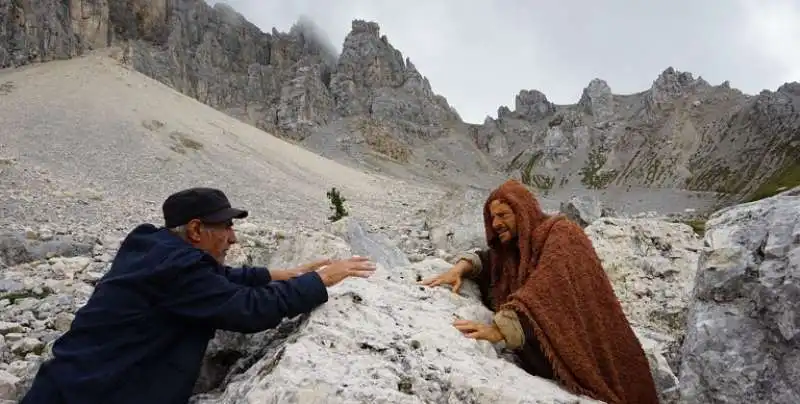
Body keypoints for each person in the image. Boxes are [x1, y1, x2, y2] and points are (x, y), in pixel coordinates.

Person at [20, 187, 376, 404]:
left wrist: (278, 273)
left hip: (66, 388)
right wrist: (320, 281)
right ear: (194, 230)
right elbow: (248, 311)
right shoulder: (178, 269)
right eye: (226, 227)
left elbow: (215, 279)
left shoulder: (154, 249)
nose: (233, 238)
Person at [420, 179, 659, 404]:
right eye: (492, 218)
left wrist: (500, 328)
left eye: (503, 215)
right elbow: (490, 262)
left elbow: (549, 287)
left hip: (599, 350)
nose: (495, 224)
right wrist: (461, 267)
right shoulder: (514, 249)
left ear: (522, 213)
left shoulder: (562, 234)